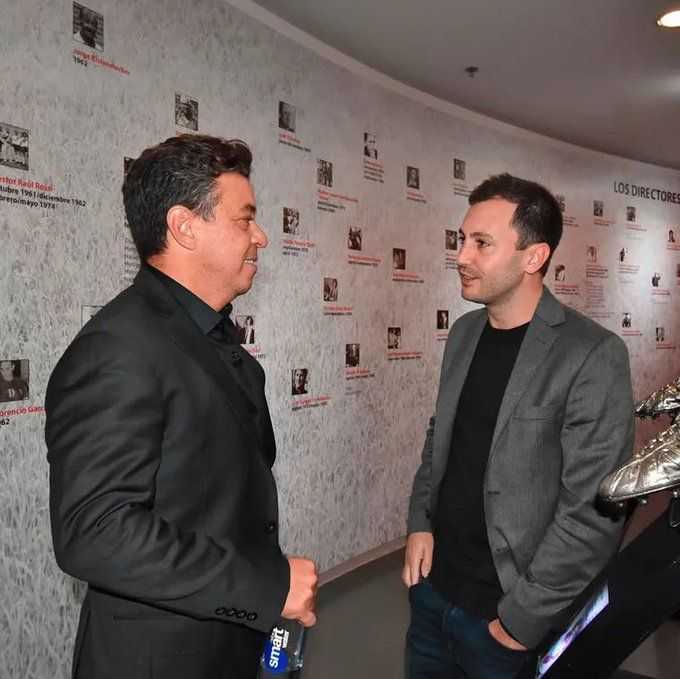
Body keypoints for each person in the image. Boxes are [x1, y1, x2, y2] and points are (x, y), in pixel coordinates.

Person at [45, 134, 318, 679]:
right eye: (245, 219)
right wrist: (266, 587)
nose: (261, 236)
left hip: (228, 644)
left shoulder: (210, 337)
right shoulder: (117, 348)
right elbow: (96, 531)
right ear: (184, 226)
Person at [403, 173, 634, 679]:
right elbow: (440, 439)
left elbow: (593, 513)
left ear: (534, 257)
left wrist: (520, 622)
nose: (461, 256)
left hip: (505, 621)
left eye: (481, 243)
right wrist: (420, 521)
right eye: (462, 239)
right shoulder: (463, 334)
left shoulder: (592, 355)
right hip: (432, 598)